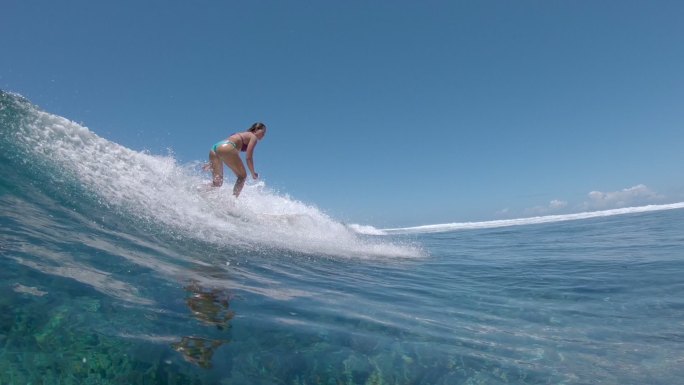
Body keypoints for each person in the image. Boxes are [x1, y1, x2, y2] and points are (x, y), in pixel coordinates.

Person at [205, 122, 267, 197]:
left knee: (217, 183)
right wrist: (253, 173)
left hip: (215, 148)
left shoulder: (241, 134)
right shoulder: (253, 137)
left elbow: (222, 148)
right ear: (256, 129)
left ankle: (198, 189)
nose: (264, 135)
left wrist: (212, 162)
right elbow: (248, 157)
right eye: (263, 132)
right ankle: (233, 201)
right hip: (227, 147)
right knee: (242, 176)